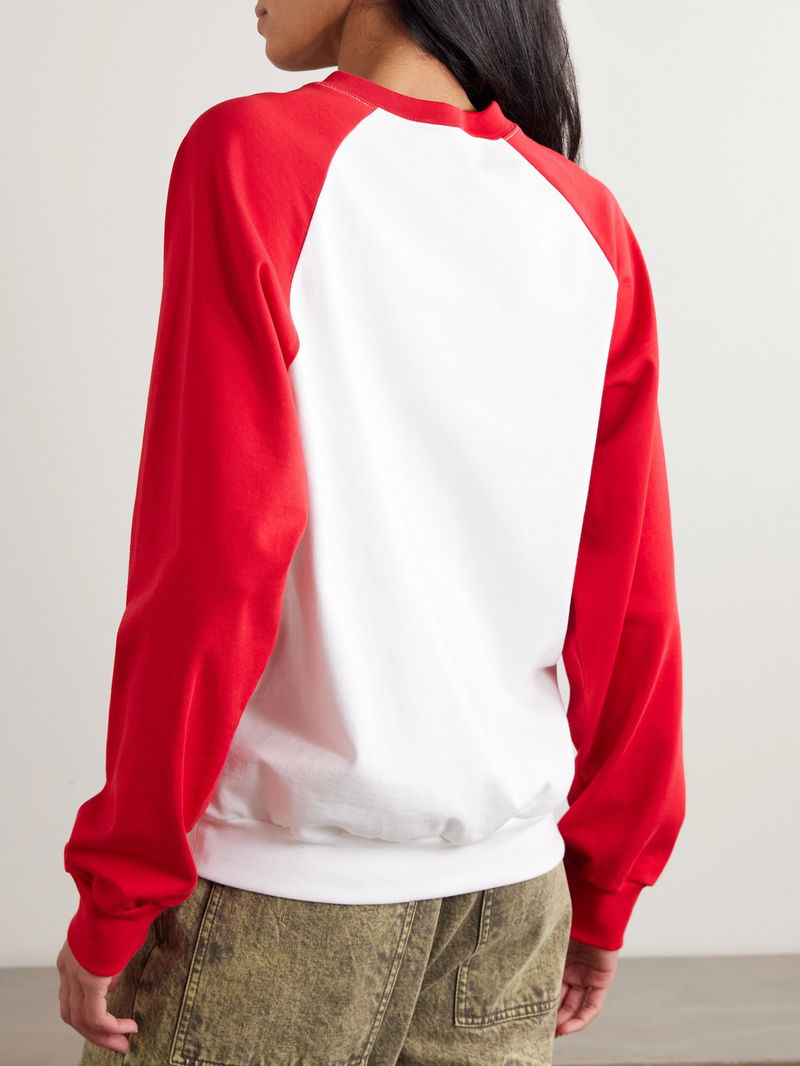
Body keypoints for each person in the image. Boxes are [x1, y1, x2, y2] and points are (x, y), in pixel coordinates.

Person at [56, 1, 686, 1063]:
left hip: (282, 901)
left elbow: (213, 559)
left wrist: (120, 886)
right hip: (510, 906)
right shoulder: (588, 221)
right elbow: (631, 595)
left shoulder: (254, 154)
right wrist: (605, 881)